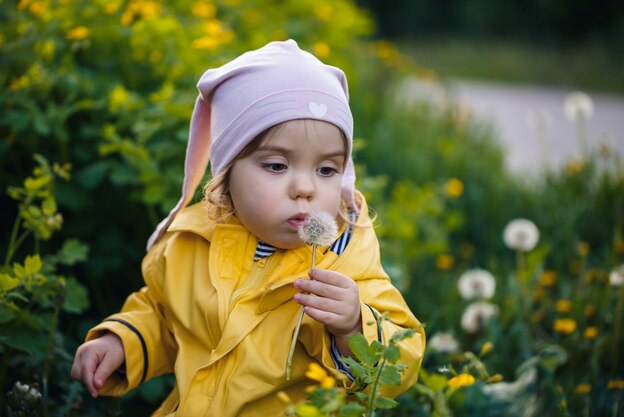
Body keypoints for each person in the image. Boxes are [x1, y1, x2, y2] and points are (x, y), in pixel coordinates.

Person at [71, 39, 425, 417]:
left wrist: (354, 325)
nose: (305, 188)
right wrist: (124, 341)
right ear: (226, 177)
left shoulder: (343, 264)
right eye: (276, 165)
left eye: (326, 170)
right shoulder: (193, 242)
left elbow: (399, 360)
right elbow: (165, 317)